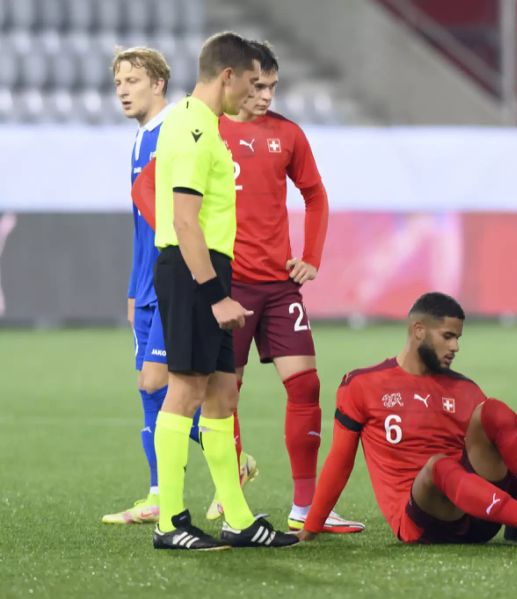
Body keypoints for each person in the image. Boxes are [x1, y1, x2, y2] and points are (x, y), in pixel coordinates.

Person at [296, 292, 517, 550]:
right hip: (423, 521)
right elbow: (340, 461)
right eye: (448, 336)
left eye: (458, 338)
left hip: (480, 516)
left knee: (493, 410)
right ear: (418, 331)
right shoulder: (362, 385)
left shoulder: (465, 389)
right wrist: (311, 527)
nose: (455, 347)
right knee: (438, 466)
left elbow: (497, 450)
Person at [151, 31, 295, 550]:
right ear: (227, 76)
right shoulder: (191, 126)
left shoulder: (204, 127)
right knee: (186, 389)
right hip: (191, 270)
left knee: (221, 392)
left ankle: (236, 517)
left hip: (207, 268)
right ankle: (170, 523)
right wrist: (216, 294)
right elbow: (185, 221)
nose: (253, 95)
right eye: (251, 83)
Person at [212, 41, 363, 533]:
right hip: (228, 286)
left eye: (273, 86)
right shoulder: (204, 131)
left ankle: (304, 505)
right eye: (258, 86)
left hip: (279, 287)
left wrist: (311, 259)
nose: (266, 95)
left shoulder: (287, 134)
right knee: (224, 394)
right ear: (233, 79)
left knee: (306, 385)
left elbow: (316, 195)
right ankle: (229, 498)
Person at [102, 47, 177, 525]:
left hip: (174, 283)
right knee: (148, 392)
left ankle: (233, 459)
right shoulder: (138, 139)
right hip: (147, 288)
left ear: (158, 83)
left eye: (132, 80)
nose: (124, 90)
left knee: (160, 383)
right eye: (118, 83)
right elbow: (139, 225)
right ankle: (157, 492)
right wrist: (133, 290)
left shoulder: (175, 132)